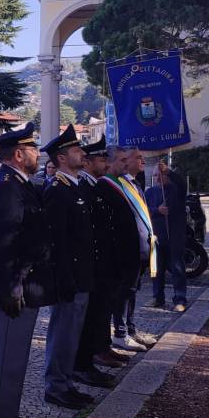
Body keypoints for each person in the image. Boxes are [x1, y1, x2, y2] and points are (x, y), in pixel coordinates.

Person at [0, 122, 52, 418]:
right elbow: (4, 243)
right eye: (33, 149)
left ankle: (9, 415)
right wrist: (13, 286)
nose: (38, 154)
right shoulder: (8, 187)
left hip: (24, 284)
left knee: (17, 356)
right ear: (18, 154)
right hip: (15, 288)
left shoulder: (19, 183)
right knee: (8, 358)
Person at [41, 126, 95, 411]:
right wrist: (63, 279)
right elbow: (56, 242)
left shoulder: (74, 187)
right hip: (69, 278)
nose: (82, 154)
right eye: (76, 150)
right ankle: (56, 386)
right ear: (62, 158)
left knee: (72, 333)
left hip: (81, 275)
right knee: (63, 332)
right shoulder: (57, 191)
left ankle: (66, 382)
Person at [73, 137, 119, 388]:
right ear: (88, 162)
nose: (106, 163)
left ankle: (87, 362)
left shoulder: (94, 187)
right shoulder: (85, 188)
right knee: (88, 319)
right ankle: (82, 365)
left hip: (99, 264)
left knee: (95, 316)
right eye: (102, 159)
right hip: (91, 265)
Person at [94, 146, 149, 354]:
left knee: (130, 292)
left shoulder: (126, 183)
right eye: (123, 159)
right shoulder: (106, 185)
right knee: (120, 295)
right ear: (110, 163)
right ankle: (119, 333)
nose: (126, 163)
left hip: (135, 251)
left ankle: (127, 330)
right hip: (120, 254)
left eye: (128, 159)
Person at [146, 159, 188, 311]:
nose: (158, 178)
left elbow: (183, 184)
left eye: (161, 175)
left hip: (174, 236)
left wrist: (169, 171)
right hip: (156, 236)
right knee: (156, 270)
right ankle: (158, 298)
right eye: (156, 176)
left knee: (177, 268)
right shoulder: (150, 192)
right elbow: (144, 210)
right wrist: (157, 210)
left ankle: (180, 299)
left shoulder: (176, 190)